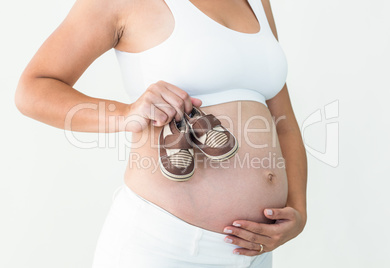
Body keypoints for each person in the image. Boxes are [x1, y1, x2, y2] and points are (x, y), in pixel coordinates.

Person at [15, 0, 308, 267]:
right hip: (166, 249)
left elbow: (284, 123)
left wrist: (298, 209)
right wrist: (127, 113)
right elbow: (34, 88)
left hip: (255, 254)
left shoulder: (258, 3)